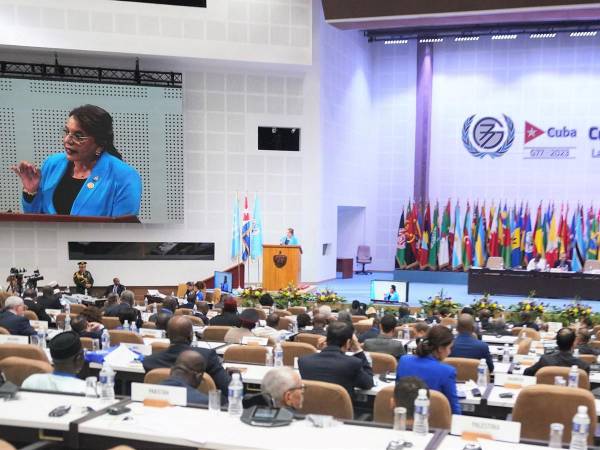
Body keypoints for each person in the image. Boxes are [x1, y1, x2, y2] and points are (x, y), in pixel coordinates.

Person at [13, 104, 142, 217]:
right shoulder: (52, 164)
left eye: (78, 136)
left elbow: (124, 232)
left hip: (98, 245)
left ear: (100, 143)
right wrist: (31, 191)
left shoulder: (124, 175)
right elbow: (35, 220)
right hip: (52, 244)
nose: (67, 140)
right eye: (67, 132)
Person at [142, 316, 230, 394]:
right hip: (201, 408)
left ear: (167, 335)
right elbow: (228, 388)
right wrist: (236, 377)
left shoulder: (149, 361)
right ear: (191, 335)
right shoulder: (207, 356)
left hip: (160, 407)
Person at [299, 321, 374, 398]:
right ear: (348, 342)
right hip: (341, 409)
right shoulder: (353, 363)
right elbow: (368, 384)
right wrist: (358, 350)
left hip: (309, 409)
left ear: (326, 339)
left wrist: (323, 350)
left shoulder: (303, 361)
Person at [396, 325, 460, 415]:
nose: (450, 352)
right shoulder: (447, 371)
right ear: (441, 348)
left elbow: (397, 393)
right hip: (433, 422)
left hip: (403, 417)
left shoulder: (404, 360)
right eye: (450, 348)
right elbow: (454, 408)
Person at [524, 328, 590, 376]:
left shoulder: (545, 360)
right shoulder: (583, 366)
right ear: (573, 344)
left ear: (556, 342)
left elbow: (527, 372)